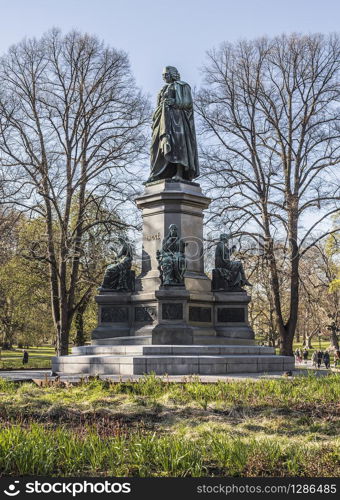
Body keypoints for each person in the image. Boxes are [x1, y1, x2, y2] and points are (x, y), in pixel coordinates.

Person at [148, 66, 199, 183]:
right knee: (156, 147)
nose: (164, 76)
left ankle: (179, 173)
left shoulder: (182, 86)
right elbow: (158, 107)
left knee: (178, 146)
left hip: (177, 120)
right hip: (162, 122)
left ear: (173, 74)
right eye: (163, 75)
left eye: (166, 74)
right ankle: (158, 173)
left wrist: (174, 102)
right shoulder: (162, 89)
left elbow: (188, 103)